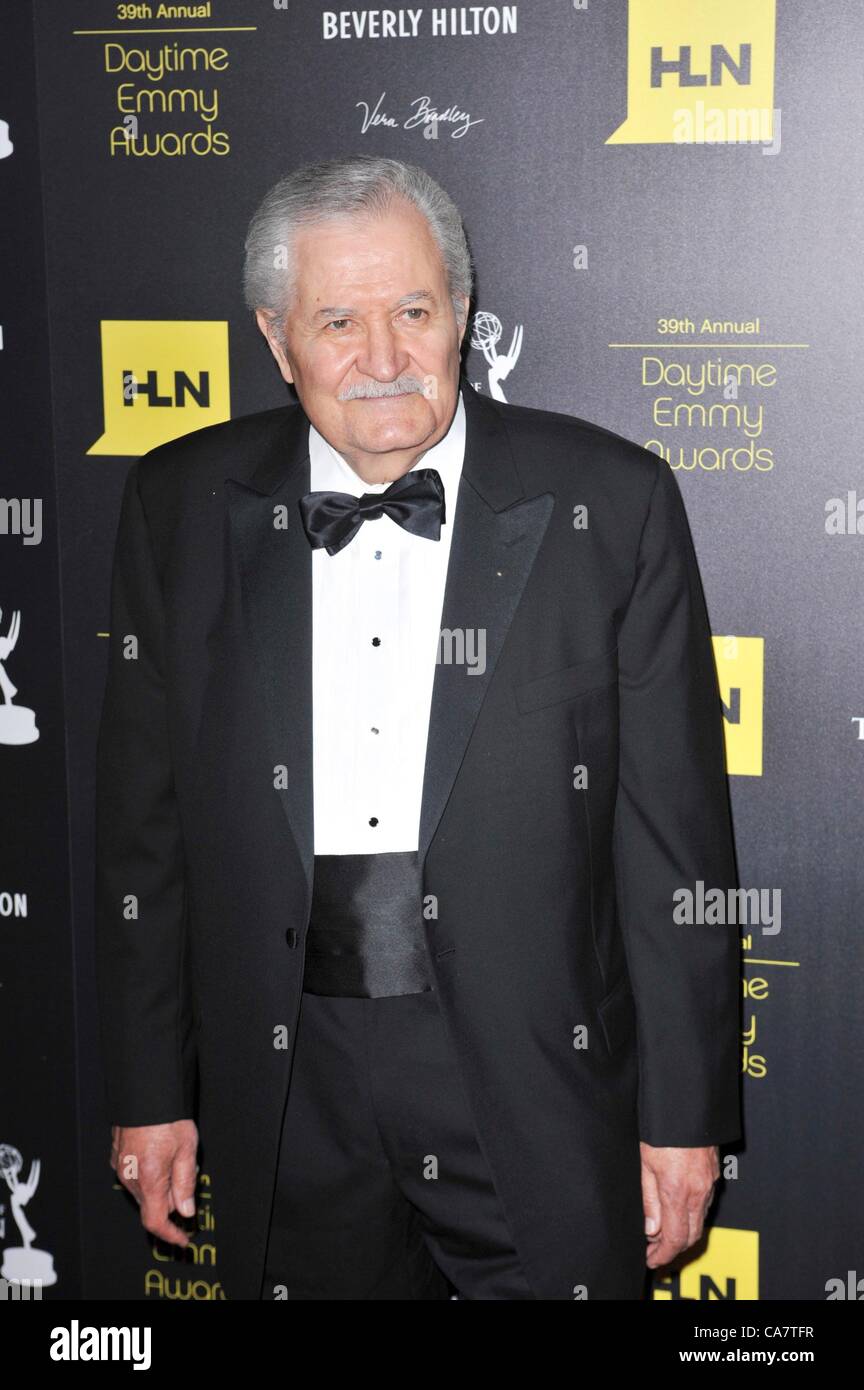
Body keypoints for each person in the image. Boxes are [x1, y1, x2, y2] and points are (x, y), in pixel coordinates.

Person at [95, 154, 741, 1301]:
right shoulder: (177, 505)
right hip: (290, 1076)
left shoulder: (613, 502)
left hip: (537, 1075)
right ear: (276, 337)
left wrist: (685, 1116)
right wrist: (154, 1087)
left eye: (413, 311)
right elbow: (144, 836)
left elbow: (673, 848)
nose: (384, 357)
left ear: (463, 314)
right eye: (338, 320)